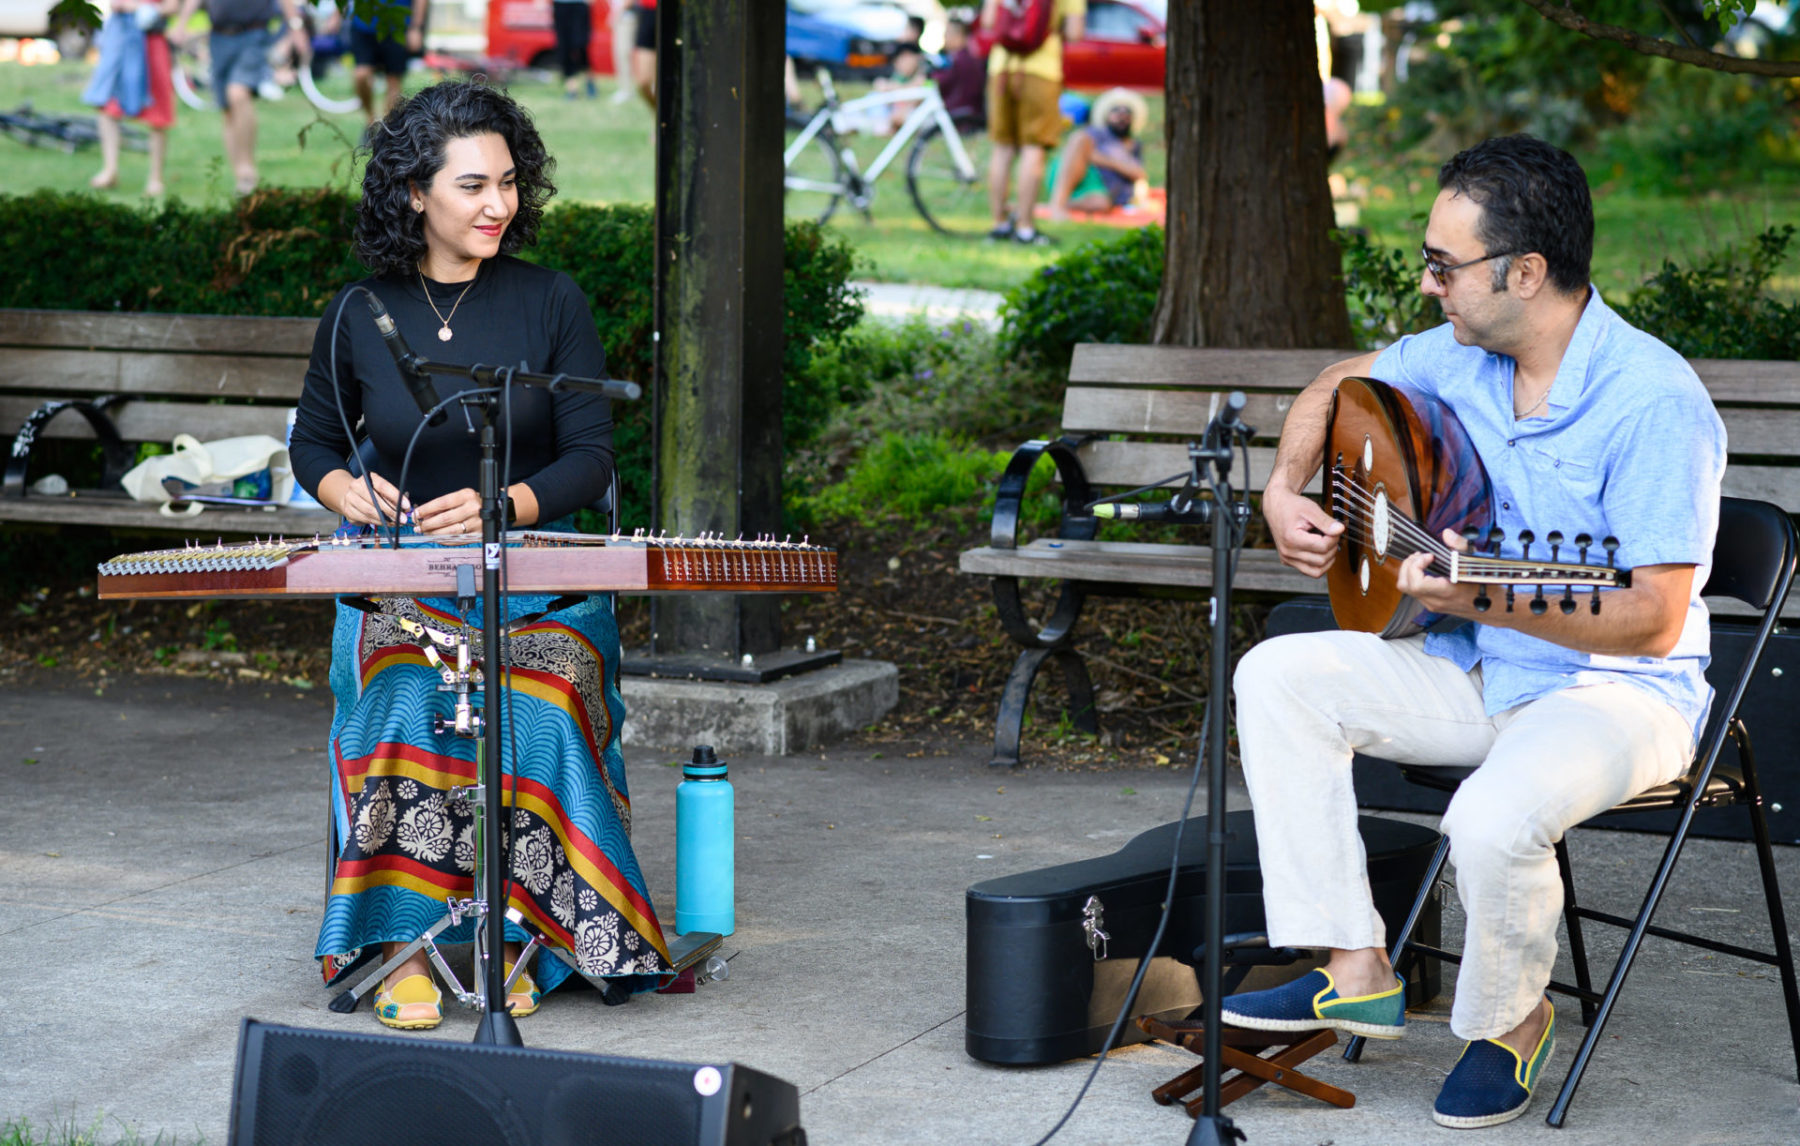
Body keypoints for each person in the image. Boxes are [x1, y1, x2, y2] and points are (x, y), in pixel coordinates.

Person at [1221, 135, 1726, 1128]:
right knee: (1278, 676)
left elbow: (1653, 617)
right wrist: (1283, 490)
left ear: (1525, 273)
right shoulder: (1459, 356)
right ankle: (1354, 962)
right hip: (1482, 668)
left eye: (1445, 266)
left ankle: (1512, 1022)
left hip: (1618, 692)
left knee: (1488, 819)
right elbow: (1335, 386)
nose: (1427, 284)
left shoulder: (1654, 402)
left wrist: (1474, 596)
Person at [289, 80, 672, 1030]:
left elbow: (592, 454)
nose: (498, 204)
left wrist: (506, 501)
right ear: (415, 194)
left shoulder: (550, 300)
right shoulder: (359, 312)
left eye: (508, 182)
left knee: (536, 700)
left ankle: (528, 940)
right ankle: (399, 945)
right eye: (472, 185)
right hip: (411, 584)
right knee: (402, 693)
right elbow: (315, 446)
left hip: (539, 586)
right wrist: (349, 492)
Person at [168, 0, 309, 196]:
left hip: (253, 33)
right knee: (227, 108)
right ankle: (241, 177)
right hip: (218, 36)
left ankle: (247, 169)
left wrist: (296, 28)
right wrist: (182, 24)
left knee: (238, 94)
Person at [980, 0, 1084, 245]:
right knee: (1033, 148)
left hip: (1001, 69)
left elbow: (987, 21)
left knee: (1002, 147)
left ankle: (1000, 225)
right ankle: (1025, 229)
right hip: (1042, 71)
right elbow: (1075, 32)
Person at [83, 0, 179, 197]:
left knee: (158, 111)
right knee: (107, 105)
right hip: (121, 41)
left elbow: (172, 6)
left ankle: (155, 178)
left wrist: (141, 9)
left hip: (151, 42)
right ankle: (110, 170)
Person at [1044, 86, 1146, 220]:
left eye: (1127, 113)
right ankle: (1058, 204)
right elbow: (1078, 146)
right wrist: (1119, 165)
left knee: (1100, 204)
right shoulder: (1097, 134)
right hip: (1083, 178)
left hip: (1105, 191)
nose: (1122, 116)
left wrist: (1103, 160)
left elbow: (1138, 173)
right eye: (1116, 111)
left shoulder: (1134, 145)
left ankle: (1055, 204)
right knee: (1079, 138)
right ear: (1107, 115)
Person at [344, 0, 427, 124]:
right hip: (362, 25)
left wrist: (416, 27)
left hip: (397, 26)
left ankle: (386, 127)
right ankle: (370, 121)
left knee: (393, 82)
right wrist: (335, 15)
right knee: (361, 75)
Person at [934, 12, 986, 127]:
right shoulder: (971, 57)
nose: (944, 38)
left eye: (946, 34)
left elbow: (941, 82)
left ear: (958, 36)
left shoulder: (959, 60)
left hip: (961, 118)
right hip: (969, 114)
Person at [551, 0, 594, 100]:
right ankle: (572, 89)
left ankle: (589, 80)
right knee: (564, 48)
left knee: (580, 46)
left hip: (579, 5)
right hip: (561, 5)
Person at [629, 0, 656, 111]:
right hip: (647, 14)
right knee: (643, 82)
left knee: (662, 85)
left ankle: (664, 122)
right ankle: (659, 116)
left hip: (671, 12)